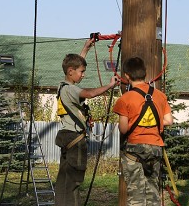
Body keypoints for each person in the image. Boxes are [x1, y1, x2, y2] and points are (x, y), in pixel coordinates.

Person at [54, 38, 119, 206]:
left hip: (67, 137)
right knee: (73, 182)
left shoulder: (63, 86)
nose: (83, 75)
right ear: (70, 71)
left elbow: (75, 65)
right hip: (75, 140)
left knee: (65, 182)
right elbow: (89, 93)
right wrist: (109, 86)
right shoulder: (71, 89)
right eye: (81, 72)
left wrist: (86, 48)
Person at [113, 56, 173, 206]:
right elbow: (168, 121)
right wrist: (151, 123)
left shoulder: (125, 99)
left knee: (136, 195)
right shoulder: (160, 96)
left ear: (127, 75)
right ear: (145, 73)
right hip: (155, 149)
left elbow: (123, 128)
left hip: (134, 149)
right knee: (153, 193)